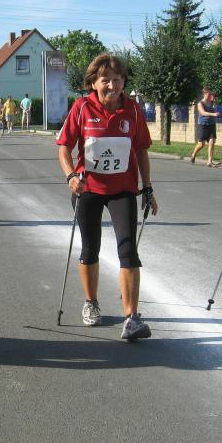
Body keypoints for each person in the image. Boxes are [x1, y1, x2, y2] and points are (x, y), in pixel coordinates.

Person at [56, 53, 157, 340]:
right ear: (93, 83)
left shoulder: (133, 111)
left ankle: (132, 318)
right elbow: (64, 147)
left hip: (122, 190)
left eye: (117, 80)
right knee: (90, 249)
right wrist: (70, 176)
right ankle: (91, 302)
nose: (112, 86)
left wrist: (148, 187)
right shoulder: (81, 108)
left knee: (128, 250)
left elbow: (141, 149)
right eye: (105, 80)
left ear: (124, 82)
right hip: (87, 189)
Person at [190, 88, 219, 166]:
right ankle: (193, 154)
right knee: (201, 144)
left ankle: (209, 161)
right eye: (208, 94)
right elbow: (203, 113)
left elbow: (214, 109)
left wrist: (214, 103)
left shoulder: (212, 102)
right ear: (204, 94)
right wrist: (213, 114)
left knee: (212, 143)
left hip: (212, 124)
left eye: (211, 94)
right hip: (203, 125)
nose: (210, 96)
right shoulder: (200, 104)